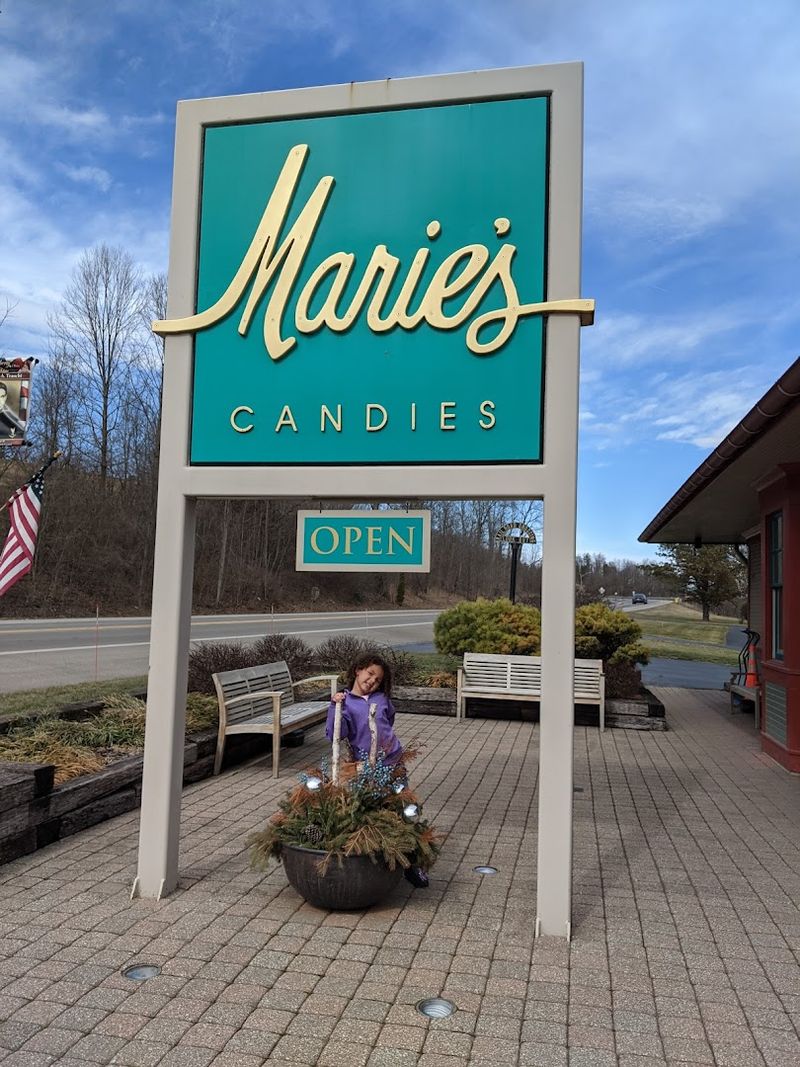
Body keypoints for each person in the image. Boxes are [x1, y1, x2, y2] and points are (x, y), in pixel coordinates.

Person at [326, 651, 429, 887]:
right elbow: (336, 734)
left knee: (404, 809)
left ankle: (411, 863)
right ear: (358, 670)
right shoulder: (344, 703)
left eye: (378, 679)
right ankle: (376, 861)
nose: (372, 681)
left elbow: (388, 719)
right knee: (375, 812)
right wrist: (335, 707)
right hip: (366, 767)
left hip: (393, 763)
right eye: (370, 674)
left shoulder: (381, 699)